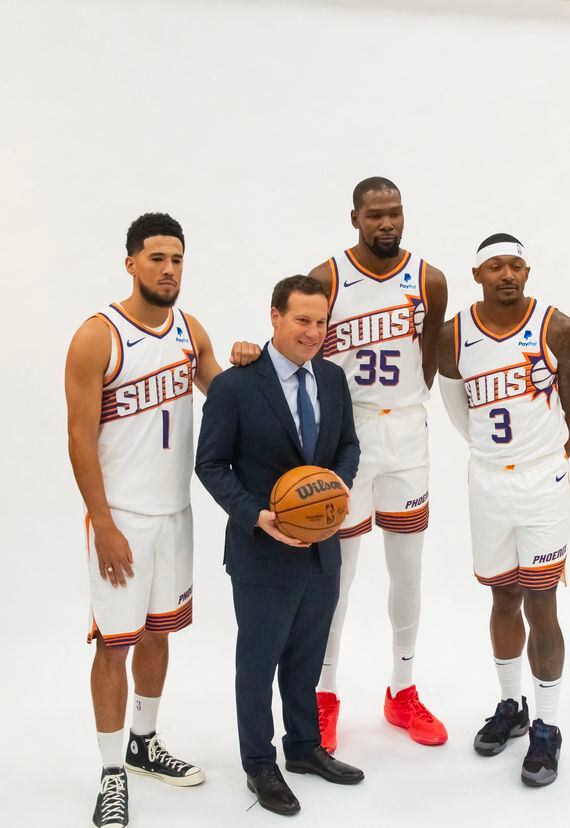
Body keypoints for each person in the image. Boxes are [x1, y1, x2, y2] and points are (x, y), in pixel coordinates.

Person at [65, 212, 260, 828]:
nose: (169, 269)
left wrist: (249, 364)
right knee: (113, 647)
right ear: (130, 262)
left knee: (158, 633)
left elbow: (228, 400)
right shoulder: (98, 336)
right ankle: (110, 774)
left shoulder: (189, 331)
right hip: (122, 517)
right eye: (156, 258)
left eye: (177, 259)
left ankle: (144, 743)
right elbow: (78, 437)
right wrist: (102, 523)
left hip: (176, 514)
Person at [194, 275, 367, 816]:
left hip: (321, 548)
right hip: (263, 550)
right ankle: (259, 765)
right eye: (301, 320)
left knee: (308, 654)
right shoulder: (237, 385)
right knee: (259, 660)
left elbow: (348, 446)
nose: (313, 332)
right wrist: (256, 516)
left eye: (320, 322)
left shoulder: (334, 380)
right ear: (274, 317)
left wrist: (334, 490)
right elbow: (210, 464)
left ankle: (304, 748)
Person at [437, 233, 570, 788]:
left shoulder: (559, 328)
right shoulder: (454, 334)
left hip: (540, 483)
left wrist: (546, 459)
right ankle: (511, 706)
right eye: (495, 266)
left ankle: (548, 725)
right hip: (487, 483)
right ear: (477, 274)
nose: (507, 274)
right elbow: (457, 407)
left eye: (516, 265)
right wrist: (492, 454)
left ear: (528, 271)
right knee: (502, 593)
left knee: (541, 602)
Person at [306, 176, 449, 752]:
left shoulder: (430, 280)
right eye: (375, 215)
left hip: (407, 431)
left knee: (408, 568)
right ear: (355, 218)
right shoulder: (328, 278)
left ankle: (402, 689)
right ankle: (324, 693)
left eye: (395, 214)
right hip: (350, 432)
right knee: (337, 573)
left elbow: (430, 358)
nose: (386, 224)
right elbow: (305, 352)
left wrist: (407, 410)